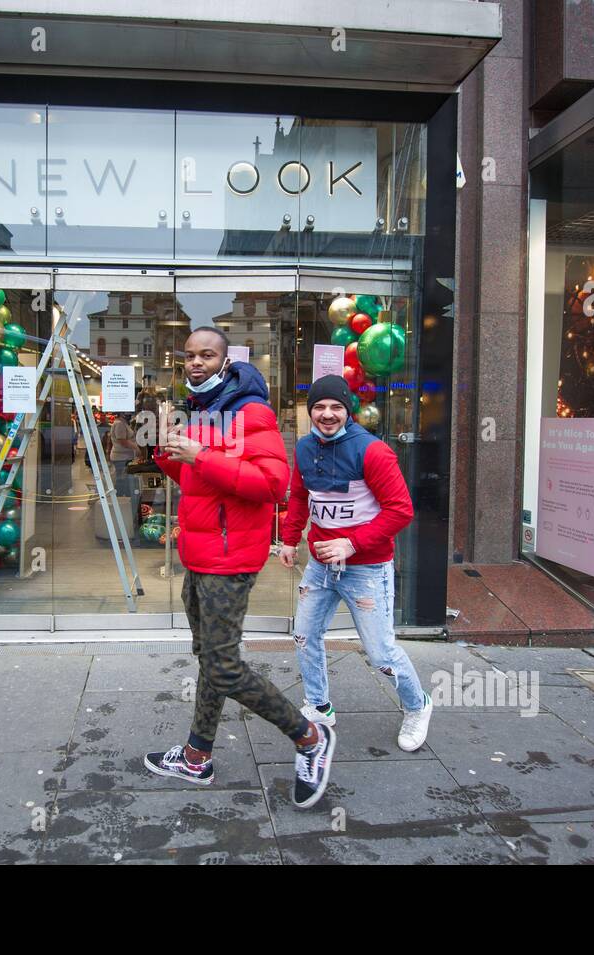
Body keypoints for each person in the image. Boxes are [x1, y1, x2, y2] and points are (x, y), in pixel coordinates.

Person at [144, 328, 336, 809]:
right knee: (211, 658)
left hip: (231, 560)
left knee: (224, 666)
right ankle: (196, 756)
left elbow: (274, 486)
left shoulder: (252, 412)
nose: (194, 363)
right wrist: (168, 454)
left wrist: (202, 455)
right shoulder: (205, 412)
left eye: (205, 355)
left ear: (225, 362)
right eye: (188, 356)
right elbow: (198, 481)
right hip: (201, 555)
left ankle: (309, 736)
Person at [280, 374, 432, 752]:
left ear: (348, 411)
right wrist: (289, 539)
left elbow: (401, 511)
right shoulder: (303, 448)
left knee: (381, 652)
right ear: (310, 411)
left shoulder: (373, 451)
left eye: (336, 407)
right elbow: (300, 496)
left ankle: (418, 706)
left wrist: (352, 543)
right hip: (319, 565)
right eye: (319, 407)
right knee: (304, 636)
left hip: (366, 568)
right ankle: (319, 705)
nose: (327, 414)